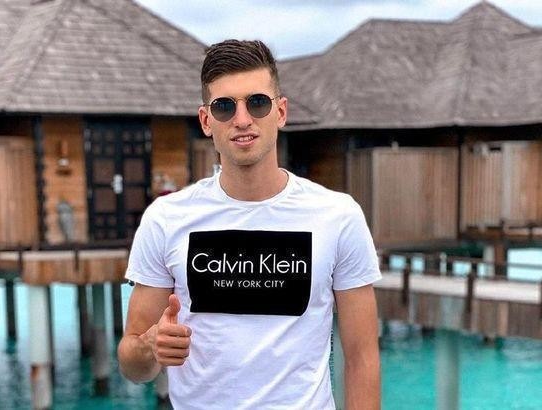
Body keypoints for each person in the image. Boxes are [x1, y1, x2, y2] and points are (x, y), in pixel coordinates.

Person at [117, 39, 381, 409]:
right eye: (225, 107)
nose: (242, 119)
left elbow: (362, 358)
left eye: (257, 103)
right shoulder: (166, 219)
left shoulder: (338, 216)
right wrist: (150, 347)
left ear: (281, 112)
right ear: (206, 121)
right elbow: (132, 363)